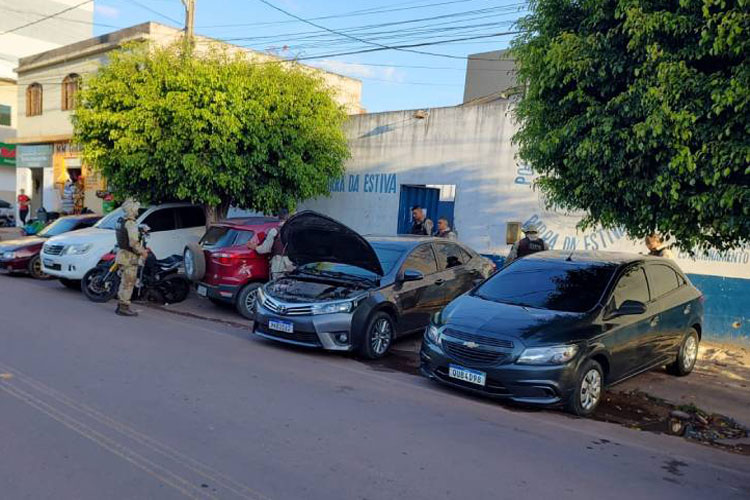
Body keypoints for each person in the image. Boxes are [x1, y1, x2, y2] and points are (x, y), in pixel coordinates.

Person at [115, 199, 148, 317]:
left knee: (124, 282)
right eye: (136, 208)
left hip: (122, 255)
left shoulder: (121, 221)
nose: (137, 210)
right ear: (132, 209)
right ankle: (124, 307)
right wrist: (143, 252)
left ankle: (120, 305)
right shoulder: (131, 223)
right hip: (129, 257)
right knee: (129, 282)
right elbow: (133, 243)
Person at [248, 209, 294, 281]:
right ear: (288, 217)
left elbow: (265, 249)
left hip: (278, 266)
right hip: (291, 265)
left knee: (276, 288)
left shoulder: (274, 231)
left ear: (279, 217)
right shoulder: (293, 231)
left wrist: (254, 247)